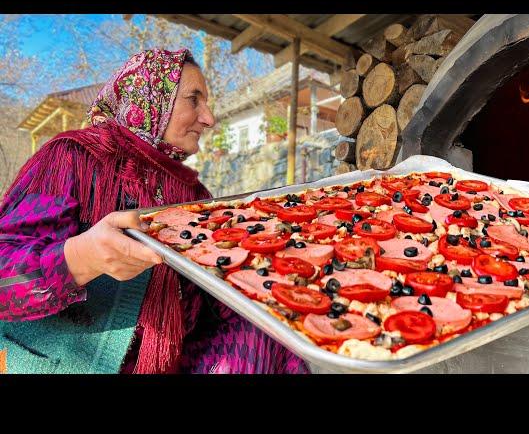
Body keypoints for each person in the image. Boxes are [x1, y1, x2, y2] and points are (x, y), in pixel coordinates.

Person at [0, 48, 310, 374]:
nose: (209, 118)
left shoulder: (191, 192)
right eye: (194, 99)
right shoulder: (72, 158)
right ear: (151, 99)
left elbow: (215, 292)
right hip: (79, 362)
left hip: (174, 359)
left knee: (272, 333)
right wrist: (79, 257)